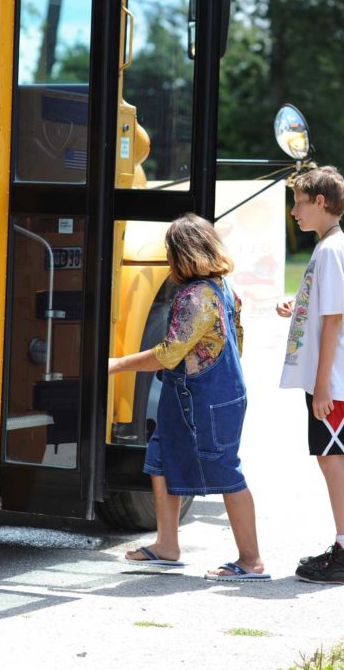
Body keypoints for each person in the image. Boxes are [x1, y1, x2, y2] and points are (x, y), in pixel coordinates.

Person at [109, 214, 269, 581]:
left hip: (205, 398)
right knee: (161, 457)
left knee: (225, 469)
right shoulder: (223, 288)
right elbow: (236, 343)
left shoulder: (196, 296)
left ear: (183, 254)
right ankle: (167, 546)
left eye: (170, 252)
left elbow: (168, 354)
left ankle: (252, 560)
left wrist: (116, 365)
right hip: (202, 393)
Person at [277, 166, 344, 585]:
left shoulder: (332, 250)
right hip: (325, 377)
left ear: (320, 202)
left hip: (328, 380)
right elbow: (322, 307)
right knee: (330, 457)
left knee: (332, 459)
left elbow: (334, 318)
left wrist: (324, 382)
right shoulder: (331, 246)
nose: (294, 210)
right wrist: (296, 305)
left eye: (299, 201)